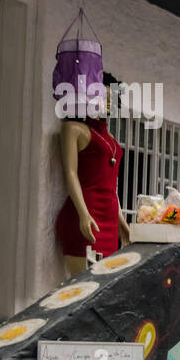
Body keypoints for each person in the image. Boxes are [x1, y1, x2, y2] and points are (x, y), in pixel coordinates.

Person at [56, 108, 128, 276]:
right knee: (84, 289)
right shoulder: (73, 129)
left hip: (109, 224)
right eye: (104, 96)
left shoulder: (112, 141)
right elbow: (71, 173)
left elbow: (111, 186)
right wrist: (83, 214)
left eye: (111, 98)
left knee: (103, 290)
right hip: (86, 217)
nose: (107, 103)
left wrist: (121, 222)